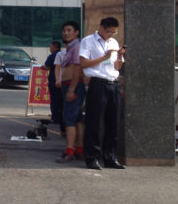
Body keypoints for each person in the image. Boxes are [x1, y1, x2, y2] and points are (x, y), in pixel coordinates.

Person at [80, 17, 126, 170]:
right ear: (100, 28)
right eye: (108, 32)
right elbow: (83, 63)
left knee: (113, 122)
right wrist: (104, 57)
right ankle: (92, 158)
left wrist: (119, 56)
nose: (110, 35)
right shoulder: (88, 41)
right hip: (98, 83)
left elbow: (117, 67)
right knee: (94, 122)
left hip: (113, 83)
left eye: (114, 32)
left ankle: (110, 157)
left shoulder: (114, 43)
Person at [56, 21, 85, 164]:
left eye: (69, 30)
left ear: (76, 32)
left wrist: (71, 89)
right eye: (64, 30)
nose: (65, 33)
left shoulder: (77, 46)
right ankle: (79, 149)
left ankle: (69, 151)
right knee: (77, 119)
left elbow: (77, 68)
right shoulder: (72, 47)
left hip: (72, 86)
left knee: (69, 120)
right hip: (71, 85)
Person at [42, 40, 63, 132]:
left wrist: (42, 67)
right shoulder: (63, 54)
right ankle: (61, 117)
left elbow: (47, 66)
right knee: (61, 100)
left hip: (54, 81)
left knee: (54, 100)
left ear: (55, 47)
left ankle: (55, 118)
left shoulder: (52, 56)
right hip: (63, 81)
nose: (50, 48)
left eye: (51, 47)